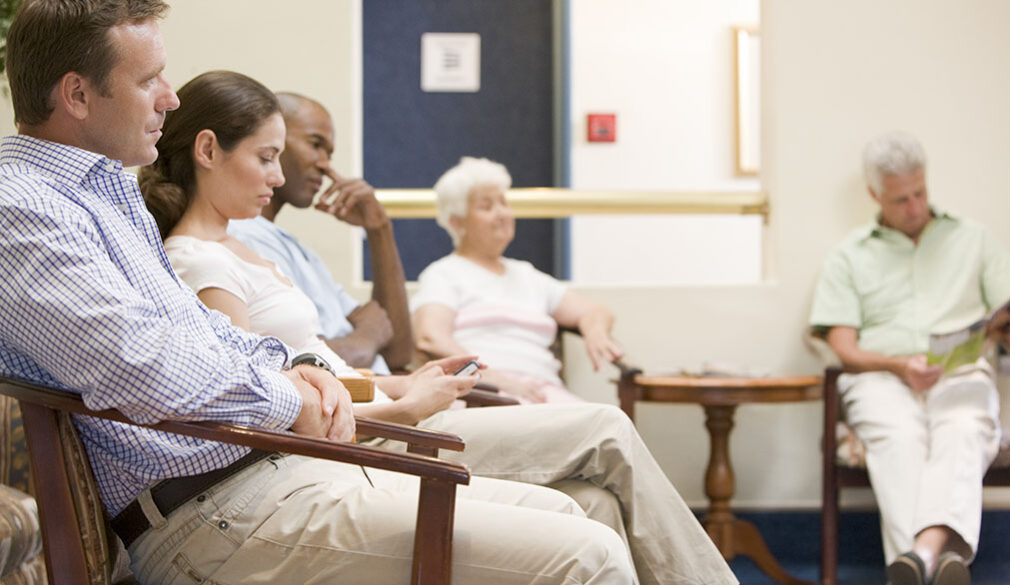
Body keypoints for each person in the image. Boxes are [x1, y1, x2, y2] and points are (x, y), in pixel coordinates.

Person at [0, 3, 646, 584]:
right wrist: (294, 395)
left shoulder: (107, 195)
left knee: (579, 510)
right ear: (78, 95)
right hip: (210, 512)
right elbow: (142, 363)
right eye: (149, 80)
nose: (167, 98)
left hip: (265, 473)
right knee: (587, 553)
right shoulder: (21, 205)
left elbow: (206, 334)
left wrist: (298, 369)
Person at [139, 72, 739, 585]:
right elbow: (259, 408)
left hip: (353, 425)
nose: (277, 175)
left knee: (595, 503)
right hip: (330, 451)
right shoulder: (199, 259)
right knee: (606, 429)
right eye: (265, 157)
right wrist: (404, 406)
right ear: (209, 151)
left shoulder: (248, 250)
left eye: (277, 156)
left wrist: (400, 385)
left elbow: (307, 374)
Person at [809, 131, 1010, 585]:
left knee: (966, 427)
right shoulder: (850, 255)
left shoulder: (973, 239)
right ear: (875, 195)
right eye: (901, 199)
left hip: (960, 372)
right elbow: (843, 346)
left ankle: (919, 559)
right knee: (900, 440)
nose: (915, 207)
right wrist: (898, 365)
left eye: (920, 193)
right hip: (882, 379)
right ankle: (942, 563)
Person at [411, 156, 623, 404]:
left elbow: (595, 310)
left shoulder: (527, 275)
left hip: (542, 392)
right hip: (483, 395)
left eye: (503, 203)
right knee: (601, 426)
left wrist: (595, 331)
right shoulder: (445, 274)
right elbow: (430, 337)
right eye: (486, 206)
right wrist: (494, 378)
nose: (501, 213)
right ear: (457, 222)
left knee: (611, 423)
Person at [227, 92, 409, 375]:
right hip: (358, 411)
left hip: (391, 397)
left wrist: (379, 229)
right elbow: (296, 360)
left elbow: (397, 352)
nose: (326, 165)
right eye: (315, 144)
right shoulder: (241, 236)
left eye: (330, 153)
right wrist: (366, 338)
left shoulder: (297, 249)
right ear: (273, 140)